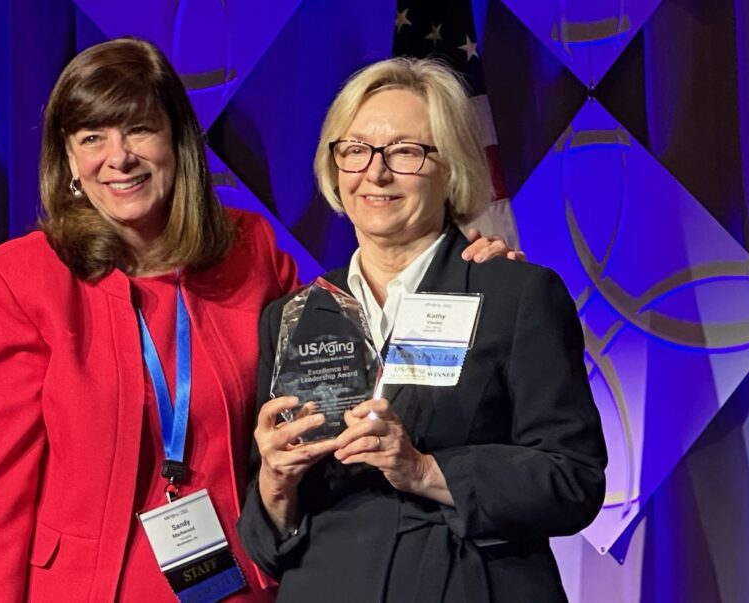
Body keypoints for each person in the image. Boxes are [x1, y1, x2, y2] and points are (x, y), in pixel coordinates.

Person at [0, 38, 517, 602]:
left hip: (239, 586)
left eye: (140, 130)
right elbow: (0, 492)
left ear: (178, 141)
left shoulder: (249, 249)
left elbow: (351, 341)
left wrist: (455, 273)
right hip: (90, 589)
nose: (118, 156)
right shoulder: (15, 282)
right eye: (92, 137)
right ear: (69, 159)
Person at [239, 58, 607, 602]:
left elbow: (573, 479)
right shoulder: (293, 316)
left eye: (407, 152)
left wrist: (425, 469)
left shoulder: (515, 295)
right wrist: (275, 480)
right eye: (356, 150)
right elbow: (269, 542)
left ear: (451, 166)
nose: (376, 173)